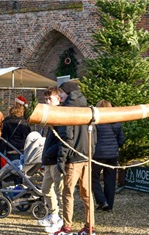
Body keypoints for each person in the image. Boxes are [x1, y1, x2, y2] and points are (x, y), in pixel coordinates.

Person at [53, 80, 96, 235]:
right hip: (86, 157)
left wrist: (61, 159)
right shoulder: (87, 108)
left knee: (68, 193)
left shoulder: (68, 110)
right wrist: (90, 152)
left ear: (68, 92)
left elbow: (67, 138)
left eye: (61, 93)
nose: (59, 96)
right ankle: (90, 226)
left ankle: (67, 228)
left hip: (73, 159)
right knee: (86, 193)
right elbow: (94, 134)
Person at [37, 87, 64, 234]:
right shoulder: (50, 114)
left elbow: (62, 140)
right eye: (46, 99)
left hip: (56, 160)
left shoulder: (60, 115)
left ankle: (62, 222)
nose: (47, 101)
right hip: (48, 159)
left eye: (50, 99)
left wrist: (49, 152)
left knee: (60, 191)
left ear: (58, 99)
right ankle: (54, 214)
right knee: (46, 189)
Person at [92, 99, 125, 212]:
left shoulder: (96, 123)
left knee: (92, 178)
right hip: (112, 155)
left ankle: (102, 201)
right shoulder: (116, 123)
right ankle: (109, 205)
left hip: (98, 154)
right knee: (110, 180)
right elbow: (121, 140)